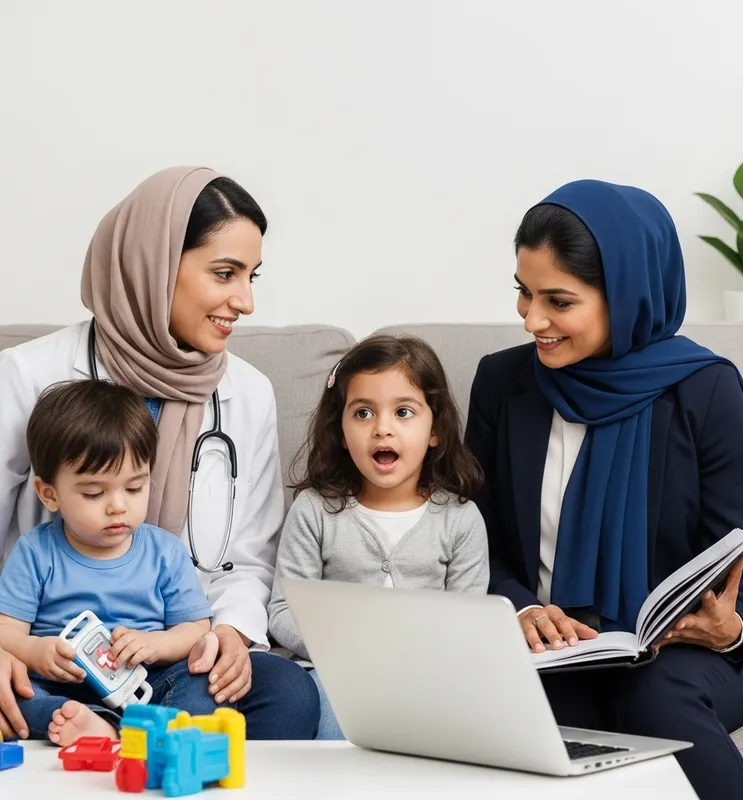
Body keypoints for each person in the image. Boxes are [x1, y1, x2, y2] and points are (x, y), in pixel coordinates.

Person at [464, 179, 743, 800]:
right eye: (524, 292)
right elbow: (477, 541)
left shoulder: (707, 391)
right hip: (552, 649)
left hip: (685, 654)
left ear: (627, 294)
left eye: (559, 300)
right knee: (529, 705)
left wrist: (730, 629)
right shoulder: (502, 384)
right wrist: (522, 608)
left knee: (653, 698)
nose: (532, 319)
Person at [0, 166, 319, 739]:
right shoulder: (26, 376)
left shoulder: (248, 392)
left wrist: (229, 635)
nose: (245, 301)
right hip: (52, 657)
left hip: (169, 655)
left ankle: (134, 738)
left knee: (289, 692)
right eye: (225, 273)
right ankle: (145, 740)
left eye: (251, 277)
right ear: (156, 264)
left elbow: (249, 558)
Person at [269, 334, 490, 739]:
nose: (382, 429)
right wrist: (341, 649)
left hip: (428, 677)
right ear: (341, 430)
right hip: (334, 673)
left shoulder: (460, 520)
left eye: (403, 412)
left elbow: (468, 623)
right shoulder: (314, 510)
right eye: (363, 413)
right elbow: (283, 610)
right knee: (330, 717)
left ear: (436, 430)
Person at [0, 380, 215, 745]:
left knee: (200, 679)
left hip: (147, 681)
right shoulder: (36, 551)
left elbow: (196, 629)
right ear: (49, 494)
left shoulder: (164, 551)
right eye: (94, 493)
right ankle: (101, 726)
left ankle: (147, 728)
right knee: (21, 693)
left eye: (134, 488)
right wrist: (34, 652)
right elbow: (6, 629)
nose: (118, 506)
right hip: (62, 685)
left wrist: (156, 644)